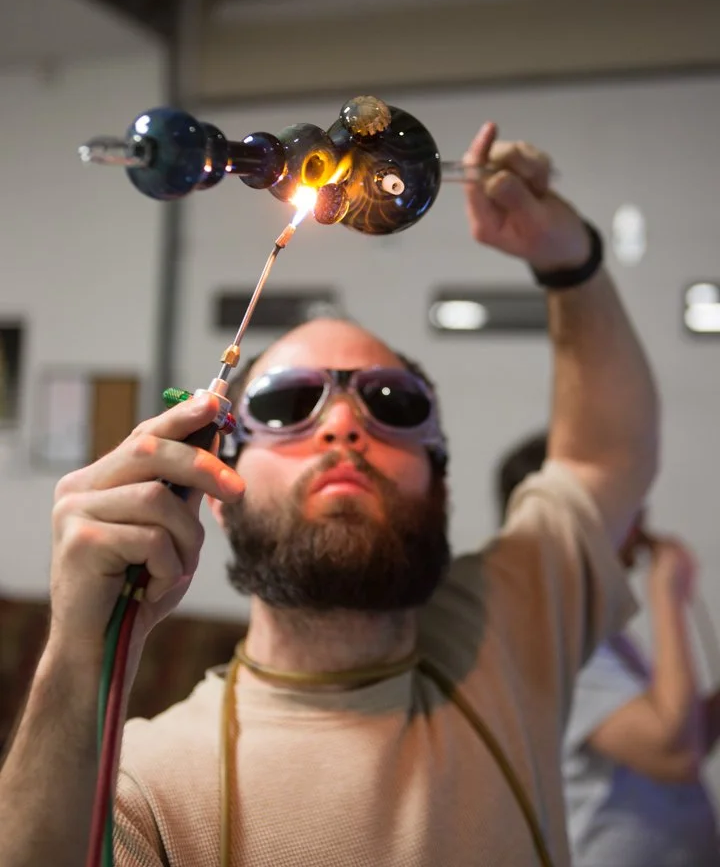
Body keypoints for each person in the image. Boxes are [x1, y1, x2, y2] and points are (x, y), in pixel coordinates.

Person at [0, 121, 659, 867]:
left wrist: (568, 258)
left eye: (391, 402)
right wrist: (78, 652)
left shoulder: (508, 628)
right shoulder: (144, 792)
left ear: (440, 476)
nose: (344, 423)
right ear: (214, 486)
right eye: (289, 404)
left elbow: (605, 457)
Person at [496, 433, 720, 866]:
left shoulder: (594, 625)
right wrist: (667, 598)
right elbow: (675, 754)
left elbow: (685, 737)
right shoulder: (552, 635)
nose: (641, 521)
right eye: (624, 505)